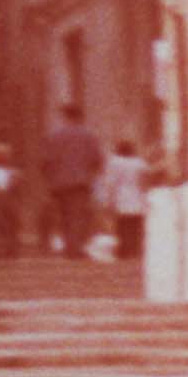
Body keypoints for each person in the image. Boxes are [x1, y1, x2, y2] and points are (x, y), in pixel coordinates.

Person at [41, 102, 103, 258]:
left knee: (63, 217)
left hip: (59, 183)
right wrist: (91, 174)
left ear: (65, 116)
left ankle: (70, 247)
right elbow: (97, 159)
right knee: (77, 216)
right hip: (80, 182)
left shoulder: (54, 135)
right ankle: (75, 249)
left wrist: (49, 177)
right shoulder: (89, 135)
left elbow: (45, 160)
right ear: (80, 116)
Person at [104, 138, 150, 262]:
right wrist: (145, 197)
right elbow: (144, 181)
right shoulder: (140, 163)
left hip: (121, 196)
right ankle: (135, 251)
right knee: (135, 226)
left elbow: (111, 183)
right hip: (137, 196)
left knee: (122, 226)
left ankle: (124, 251)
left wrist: (109, 200)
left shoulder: (114, 162)